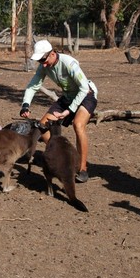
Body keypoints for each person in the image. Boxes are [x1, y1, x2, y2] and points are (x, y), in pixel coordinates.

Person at [20, 40, 98, 183]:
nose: (43, 63)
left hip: (86, 95)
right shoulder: (44, 66)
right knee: (42, 126)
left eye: (44, 59)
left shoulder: (69, 63)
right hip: (68, 97)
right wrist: (25, 105)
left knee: (78, 125)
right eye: (40, 61)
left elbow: (84, 88)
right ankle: (63, 155)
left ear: (53, 54)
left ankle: (82, 168)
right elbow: (33, 86)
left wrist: (69, 110)